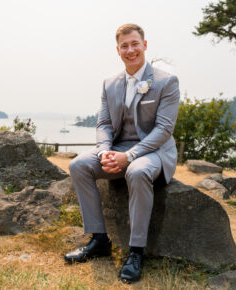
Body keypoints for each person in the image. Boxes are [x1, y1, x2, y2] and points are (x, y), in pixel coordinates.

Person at [64, 23, 180, 284]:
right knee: (79, 165)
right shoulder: (109, 84)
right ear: (118, 50)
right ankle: (99, 240)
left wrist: (129, 157)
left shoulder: (166, 81)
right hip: (117, 148)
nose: (130, 50)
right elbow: (104, 124)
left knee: (138, 172)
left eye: (135, 44)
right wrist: (105, 152)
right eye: (124, 46)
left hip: (153, 151)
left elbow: (164, 129)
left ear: (145, 45)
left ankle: (136, 252)